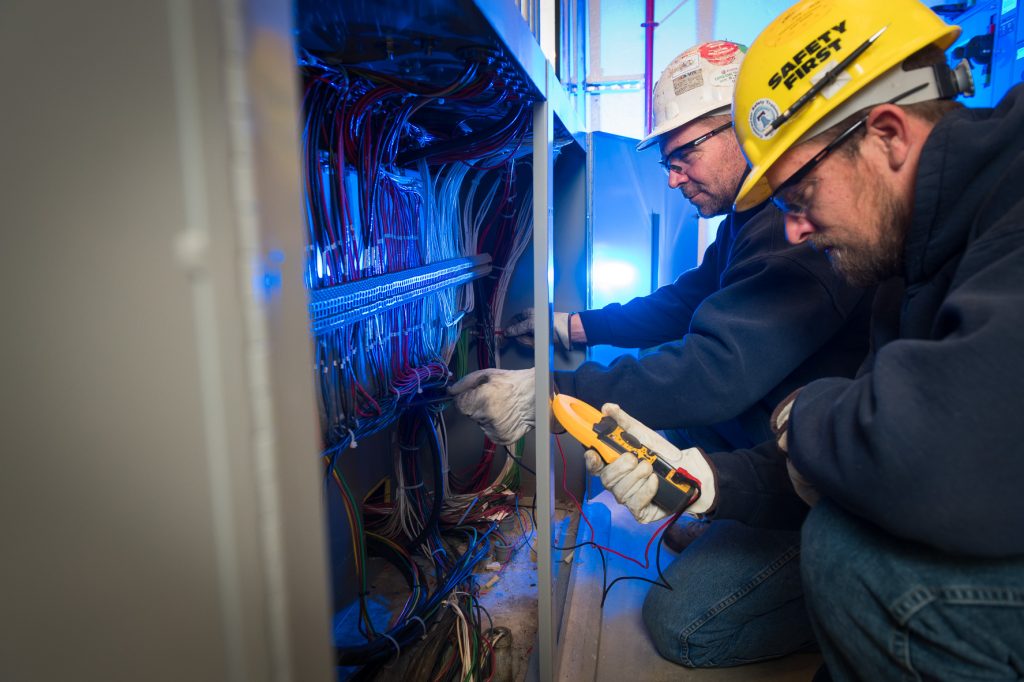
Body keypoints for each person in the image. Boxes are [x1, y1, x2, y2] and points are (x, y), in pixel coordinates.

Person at [451, 42, 875, 668]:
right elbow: (684, 302)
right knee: (654, 428)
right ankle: (733, 515)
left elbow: (713, 372)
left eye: (685, 155)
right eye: (668, 159)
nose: (673, 177)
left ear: (745, 127)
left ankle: (847, 589)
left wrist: (548, 395)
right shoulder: (751, 216)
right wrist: (573, 325)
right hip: (778, 421)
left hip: (826, 479)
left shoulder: (794, 234)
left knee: (683, 626)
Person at [726, 0, 1023, 678]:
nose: (795, 230)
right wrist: (714, 484)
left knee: (854, 563)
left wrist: (800, 413)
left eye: (799, 194)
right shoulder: (908, 263)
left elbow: (931, 453)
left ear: (888, 134)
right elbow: (865, 432)